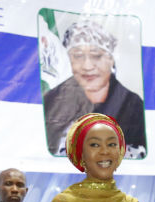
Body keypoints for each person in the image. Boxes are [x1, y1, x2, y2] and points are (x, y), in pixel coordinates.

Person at [43, 20, 147, 159]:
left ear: (111, 59)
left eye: (96, 55)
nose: (87, 66)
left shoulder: (133, 105)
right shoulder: (51, 101)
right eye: (78, 55)